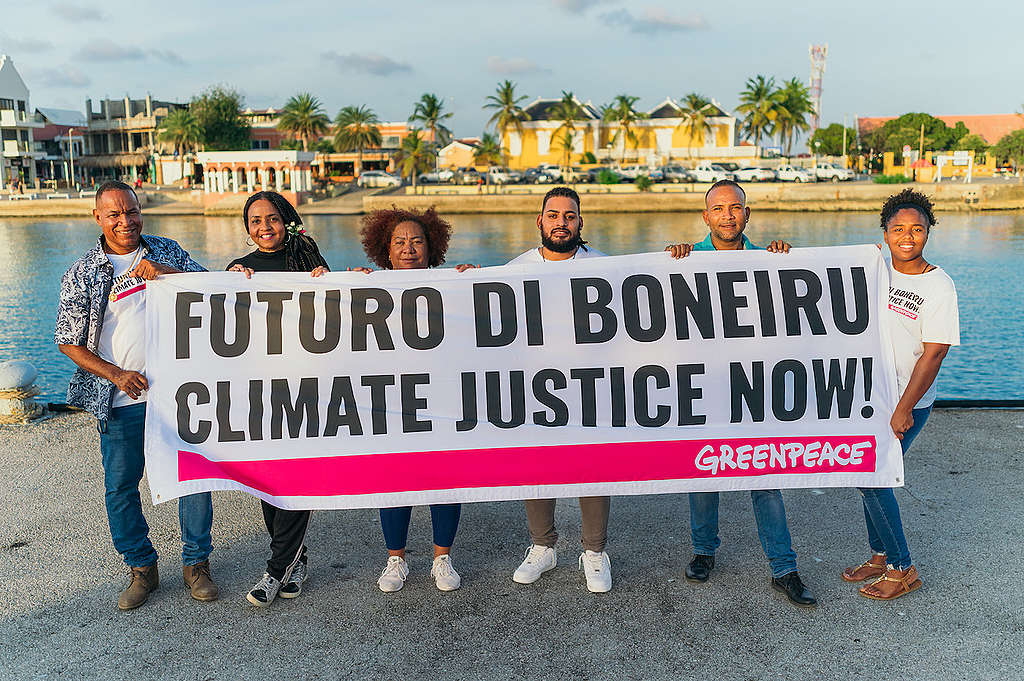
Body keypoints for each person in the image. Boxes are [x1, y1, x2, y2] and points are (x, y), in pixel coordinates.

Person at [55, 180, 217, 610]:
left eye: (131, 211)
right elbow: (68, 341)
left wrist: (167, 273)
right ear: (98, 218)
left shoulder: (165, 249)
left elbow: (211, 290)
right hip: (121, 399)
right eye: (114, 214)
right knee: (121, 487)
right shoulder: (83, 272)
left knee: (193, 478)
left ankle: (196, 564)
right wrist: (116, 374)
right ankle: (141, 567)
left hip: (180, 392)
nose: (125, 221)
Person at [665, 179, 816, 608]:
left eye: (735, 208)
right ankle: (704, 551)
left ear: (747, 215)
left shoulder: (767, 260)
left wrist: (784, 263)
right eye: (719, 208)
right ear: (705, 216)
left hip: (754, 384)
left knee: (764, 475)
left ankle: (784, 568)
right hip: (706, 382)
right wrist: (672, 263)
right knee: (704, 472)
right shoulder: (685, 259)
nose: (727, 215)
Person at [842, 188, 958, 600]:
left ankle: (901, 567)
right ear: (885, 233)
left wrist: (904, 409)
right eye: (898, 229)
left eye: (917, 229)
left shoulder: (939, 286)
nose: (907, 237)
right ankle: (879, 554)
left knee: (873, 479)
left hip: (906, 404)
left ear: (929, 233)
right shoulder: (878, 268)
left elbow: (935, 352)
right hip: (872, 396)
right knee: (867, 476)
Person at [505, 186, 613, 594]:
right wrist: (467, 278)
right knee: (538, 464)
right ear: (540, 221)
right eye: (554, 215)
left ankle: (595, 552)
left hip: (591, 383)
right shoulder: (515, 269)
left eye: (570, 216)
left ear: (581, 222)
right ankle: (542, 546)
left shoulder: (606, 266)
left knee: (592, 466)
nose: (561, 223)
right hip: (536, 385)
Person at [227, 191, 331, 607]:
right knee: (268, 483)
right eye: (255, 220)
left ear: (286, 221)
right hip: (260, 393)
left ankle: (274, 570)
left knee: (294, 478)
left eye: (272, 218)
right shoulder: (240, 271)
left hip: (305, 389)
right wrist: (226, 283)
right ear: (247, 227)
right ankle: (296, 559)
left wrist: (335, 282)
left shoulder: (310, 265)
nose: (264, 227)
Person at [360, 206, 466, 593]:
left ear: (431, 247)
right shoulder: (366, 287)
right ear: (385, 250)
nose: (408, 249)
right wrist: (333, 285)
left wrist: (475, 282)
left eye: (417, 241)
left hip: (442, 396)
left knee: (445, 475)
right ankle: (396, 559)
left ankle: (442, 558)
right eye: (399, 242)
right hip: (391, 399)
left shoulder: (453, 286)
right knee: (394, 477)